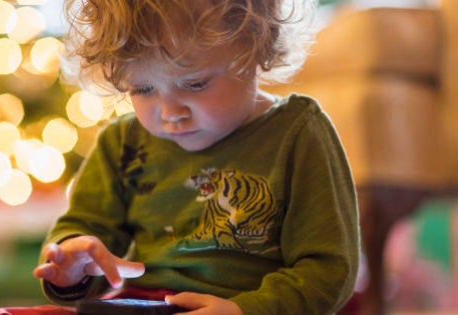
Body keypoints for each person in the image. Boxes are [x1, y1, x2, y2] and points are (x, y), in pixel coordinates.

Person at [32, 0, 360, 314]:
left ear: (257, 47)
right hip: (143, 304)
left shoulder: (298, 132)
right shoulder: (122, 141)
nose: (171, 113)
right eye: (143, 90)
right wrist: (74, 264)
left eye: (195, 83)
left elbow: (327, 269)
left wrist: (245, 309)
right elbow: (86, 229)